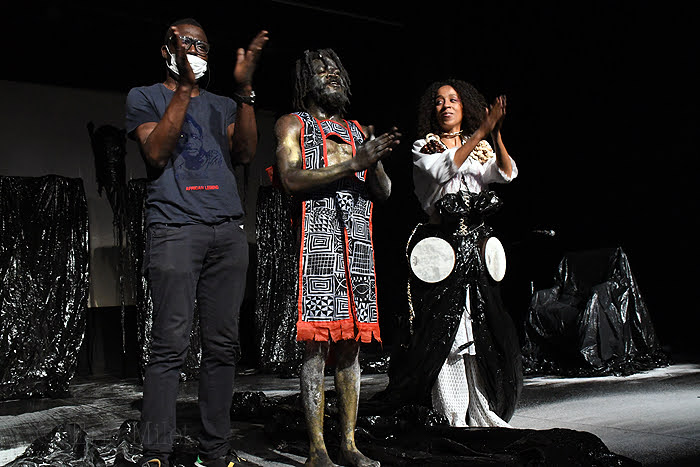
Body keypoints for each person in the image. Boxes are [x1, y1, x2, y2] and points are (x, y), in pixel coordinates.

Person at [124, 17, 268, 467]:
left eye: (203, 46)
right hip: (174, 229)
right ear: (166, 49)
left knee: (223, 347)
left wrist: (245, 92)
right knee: (169, 345)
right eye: (186, 44)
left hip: (227, 231)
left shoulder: (224, 104)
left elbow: (245, 153)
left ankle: (215, 450)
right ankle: (156, 451)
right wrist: (184, 88)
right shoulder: (144, 96)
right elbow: (155, 153)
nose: (195, 52)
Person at [274, 48, 400, 467]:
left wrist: (373, 163)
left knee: (350, 350)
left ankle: (348, 444)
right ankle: (317, 450)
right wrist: (353, 164)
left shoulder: (355, 129)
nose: (332, 75)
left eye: (336, 69)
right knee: (315, 349)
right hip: (316, 246)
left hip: (358, 247)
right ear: (304, 81)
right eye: (321, 69)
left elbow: (384, 192)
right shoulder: (293, 124)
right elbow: (290, 178)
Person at [377, 79, 522, 428]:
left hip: (476, 248)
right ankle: (451, 413)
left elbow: (507, 174)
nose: (446, 106)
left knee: (477, 326)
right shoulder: (425, 147)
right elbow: (445, 169)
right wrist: (482, 131)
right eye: (440, 101)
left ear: (464, 106)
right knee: (446, 329)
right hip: (441, 249)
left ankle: (481, 408)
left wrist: (495, 135)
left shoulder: (481, 146)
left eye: (453, 100)